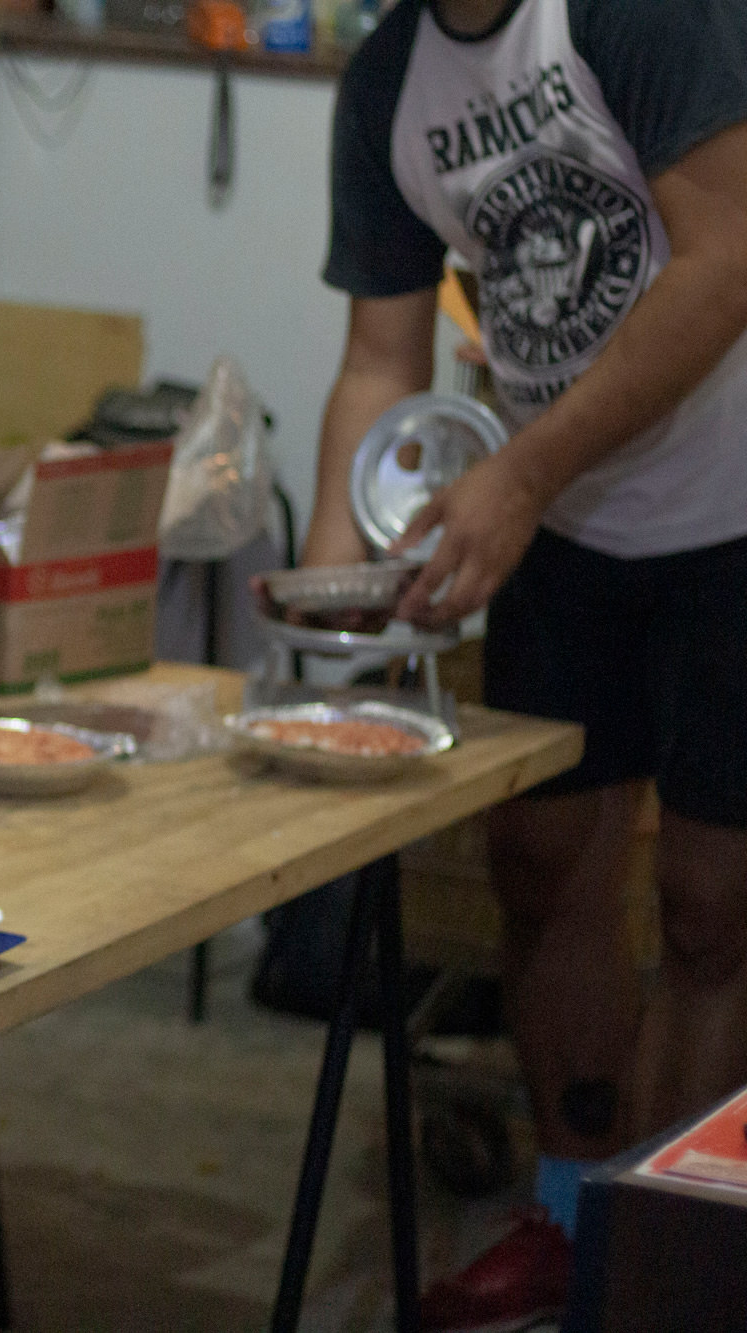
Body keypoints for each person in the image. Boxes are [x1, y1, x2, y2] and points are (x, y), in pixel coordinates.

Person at [306, 0, 747, 1326]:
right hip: (562, 522)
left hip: (732, 511)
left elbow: (725, 261)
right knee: (542, 865)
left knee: (712, 905)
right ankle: (567, 1223)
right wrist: (331, 612)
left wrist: (523, 472)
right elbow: (380, 357)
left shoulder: (638, 15)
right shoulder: (389, 78)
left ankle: (665, 1268)